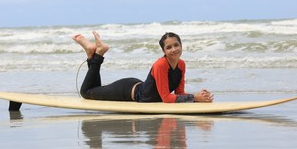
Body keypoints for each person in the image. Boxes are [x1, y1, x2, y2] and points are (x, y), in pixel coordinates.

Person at [72, 31, 213, 103]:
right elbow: (166, 98)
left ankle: (93, 54)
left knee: (94, 90)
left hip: (137, 86)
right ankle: (98, 53)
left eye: (176, 45)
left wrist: (198, 96)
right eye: (168, 47)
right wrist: (194, 98)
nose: (174, 49)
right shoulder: (161, 64)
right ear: (164, 51)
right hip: (126, 91)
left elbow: (178, 93)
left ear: (181, 46)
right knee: (87, 93)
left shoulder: (181, 65)